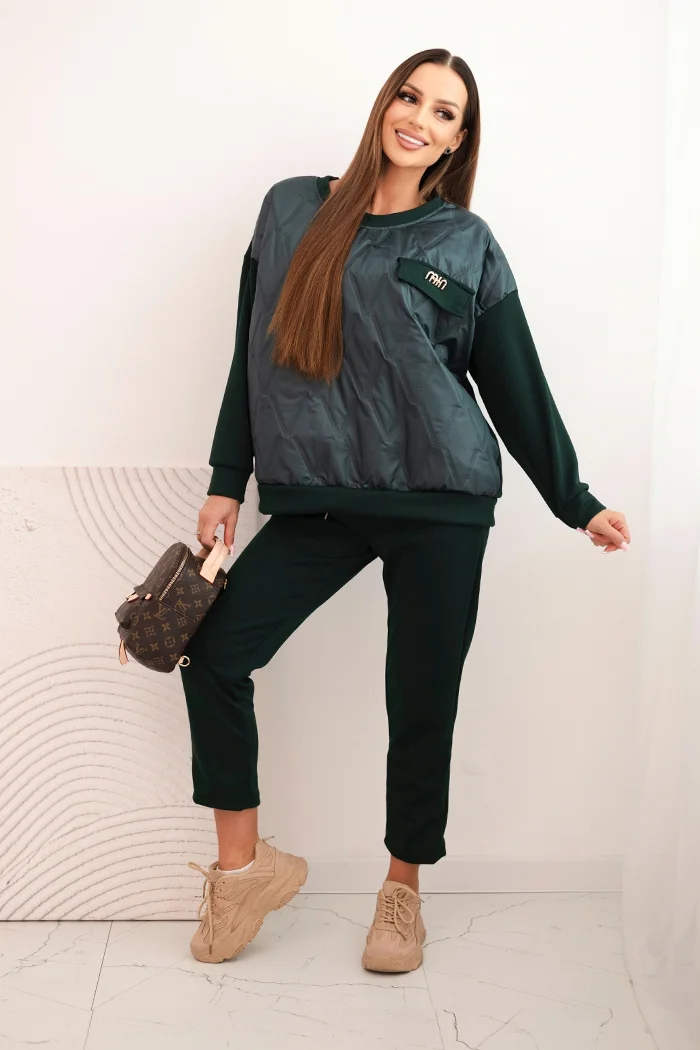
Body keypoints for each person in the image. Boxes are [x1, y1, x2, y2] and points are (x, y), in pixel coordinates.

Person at [180, 47, 631, 973]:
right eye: (411, 96)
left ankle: (401, 892)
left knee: (421, 702)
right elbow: (249, 352)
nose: (420, 119)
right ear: (385, 102)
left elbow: (513, 384)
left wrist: (574, 499)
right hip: (320, 497)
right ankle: (242, 873)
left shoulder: (464, 244)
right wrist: (228, 476)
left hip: (441, 500)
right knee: (215, 656)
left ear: (459, 139)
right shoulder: (291, 210)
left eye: (445, 112)